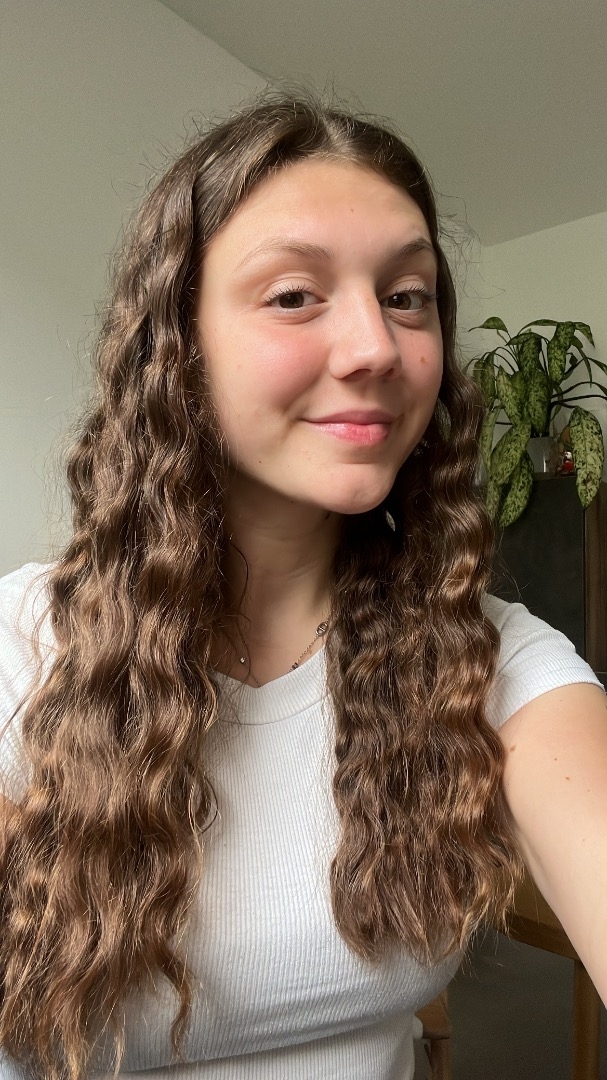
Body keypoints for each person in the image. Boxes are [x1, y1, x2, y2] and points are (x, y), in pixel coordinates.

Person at [0, 89, 605, 1080]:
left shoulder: (491, 663)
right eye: (293, 296)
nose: (375, 347)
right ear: (177, 348)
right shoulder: (21, 652)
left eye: (406, 296)